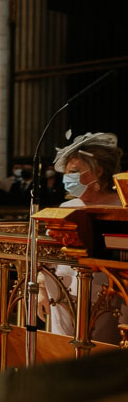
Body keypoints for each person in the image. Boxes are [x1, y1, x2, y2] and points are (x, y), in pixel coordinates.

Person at [38, 133, 127, 343]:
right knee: (64, 353)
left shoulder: (121, 206)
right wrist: (41, 289)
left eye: (75, 172)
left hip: (110, 295)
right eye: (67, 173)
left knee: (101, 355)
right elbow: (48, 255)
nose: (68, 178)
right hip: (62, 293)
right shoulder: (66, 208)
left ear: (98, 171)